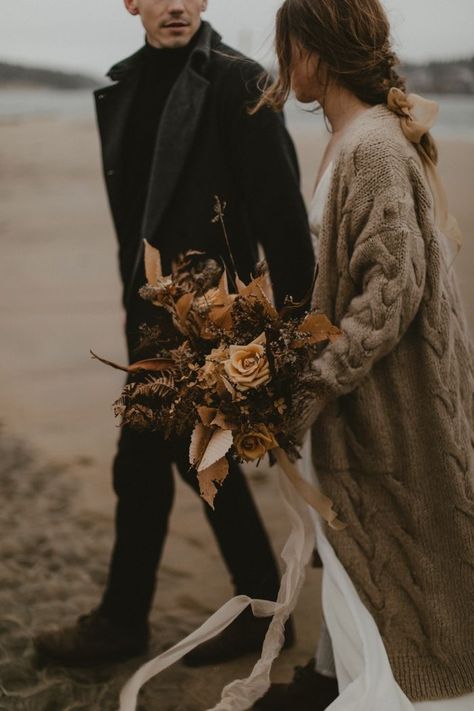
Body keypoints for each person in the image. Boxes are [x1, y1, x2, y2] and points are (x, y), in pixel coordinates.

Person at [34, 0, 315, 666]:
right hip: (148, 313)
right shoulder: (128, 82)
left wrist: (295, 334)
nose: (176, 6)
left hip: (213, 321)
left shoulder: (239, 81)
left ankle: (132, 618)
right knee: (177, 463)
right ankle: (250, 604)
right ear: (131, 3)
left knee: (165, 463)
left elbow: (282, 214)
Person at [251, 0, 474, 709]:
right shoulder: (352, 136)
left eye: (289, 47)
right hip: (359, 400)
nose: (283, 64)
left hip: (389, 405)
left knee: (383, 555)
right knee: (352, 551)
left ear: (317, 50)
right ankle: (327, 676)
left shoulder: (373, 147)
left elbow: (388, 293)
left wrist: (309, 383)